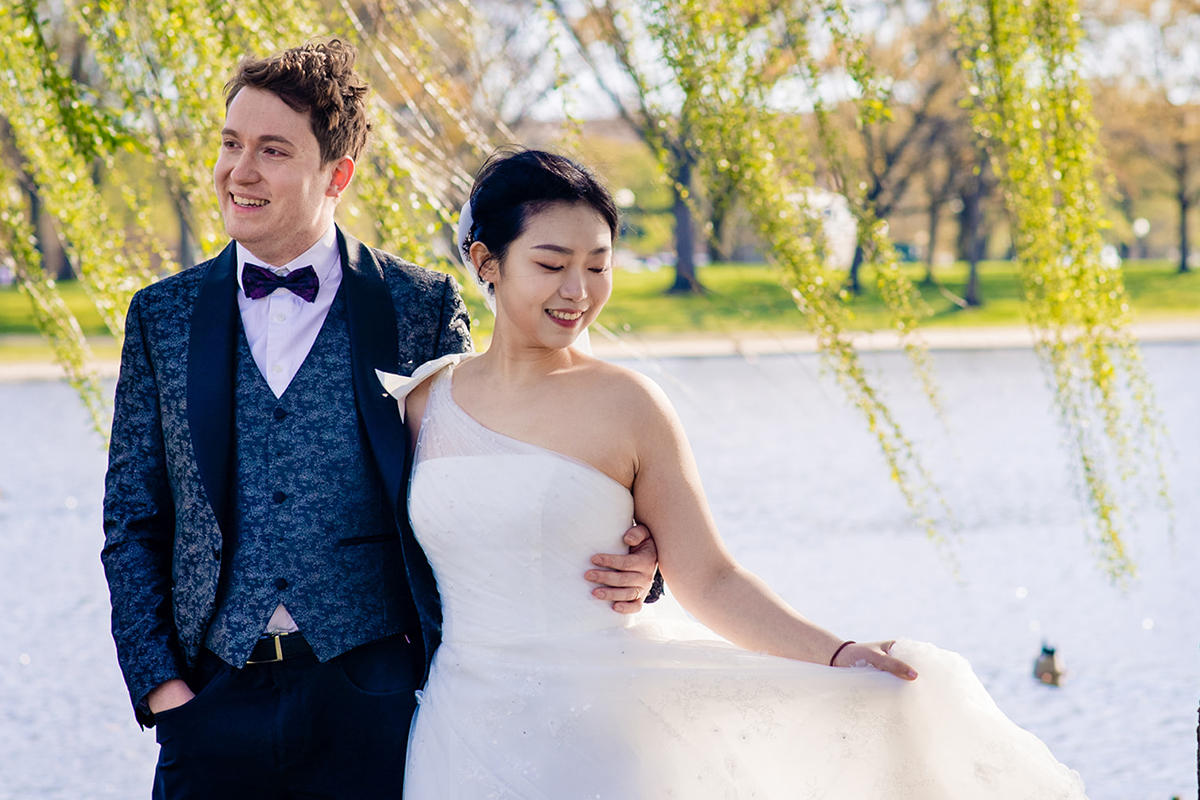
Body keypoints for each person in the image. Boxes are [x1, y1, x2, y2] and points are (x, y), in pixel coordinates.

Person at [383, 148, 1090, 798]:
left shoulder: (627, 405)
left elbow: (711, 577)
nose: (578, 289)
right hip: (460, 726)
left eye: (598, 265)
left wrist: (837, 653)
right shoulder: (425, 401)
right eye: (551, 263)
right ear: (486, 260)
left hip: (598, 726)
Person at [101, 42, 657, 800]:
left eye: (272, 150)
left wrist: (634, 556)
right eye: (231, 145)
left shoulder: (416, 306)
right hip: (209, 706)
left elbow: (502, 466)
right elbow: (132, 520)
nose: (240, 171)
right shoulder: (161, 316)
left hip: (376, 705)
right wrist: (164, 690)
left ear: (338, 174)